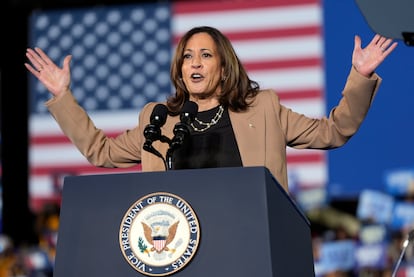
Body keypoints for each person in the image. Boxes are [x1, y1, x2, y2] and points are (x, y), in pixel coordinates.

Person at [25, 26, 397, 193]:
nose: (195, 63)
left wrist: (360, 76)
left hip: (251, 242)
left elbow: (333, 132)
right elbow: (102, 153)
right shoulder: (160, 119)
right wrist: (63, 97)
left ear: (223, 65)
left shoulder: (263, 109)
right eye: (187, 56)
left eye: (205, 55)